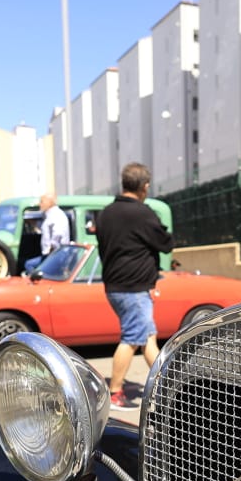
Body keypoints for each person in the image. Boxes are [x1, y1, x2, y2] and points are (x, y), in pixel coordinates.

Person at [95, 162, 173, 410]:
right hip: (133, 289)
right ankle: (115, 392)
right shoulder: (142, 213)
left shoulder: (105, 213)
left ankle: (166, 384)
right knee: (131, 338)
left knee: (147, 337)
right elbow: (165, 243)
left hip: (115, 286)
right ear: (145, 186)